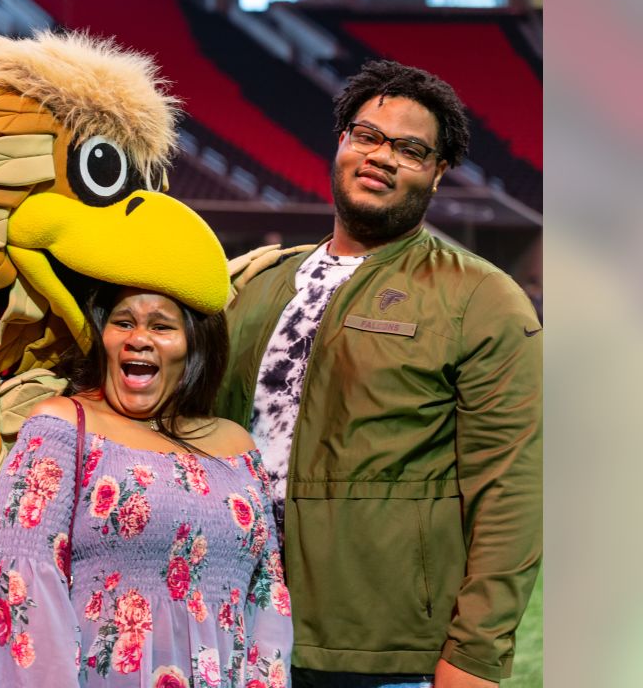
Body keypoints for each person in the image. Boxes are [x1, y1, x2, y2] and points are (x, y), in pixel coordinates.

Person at [215, 60, 542, 688]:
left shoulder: (481, 297)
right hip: (230, 623)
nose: (382, 156)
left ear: (439, 172)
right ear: (341, 141)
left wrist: (474, 656)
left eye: (411, 149)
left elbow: (510, 492)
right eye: (367, 135)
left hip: (379, 649)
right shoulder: (256, 281)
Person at [0, 283, 292, 687]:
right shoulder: (62, 427)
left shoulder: (237, 446)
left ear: (195, 344)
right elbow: (20, 594)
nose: (138, 339)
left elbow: (266, 597)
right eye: (123, 323)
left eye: (161, 326)